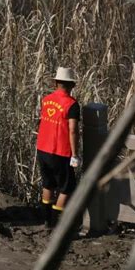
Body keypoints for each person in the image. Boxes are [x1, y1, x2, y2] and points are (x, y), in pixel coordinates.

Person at [36, 67, 81, 227]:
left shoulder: (46, 99)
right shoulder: (72, 105)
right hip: (60, 151)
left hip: (42, 148)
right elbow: (73, 130)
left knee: (48, 184)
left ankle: (47, 221)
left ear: (56, 83)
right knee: (67, 187)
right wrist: (75, 154)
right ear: (72, 85)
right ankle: (55, 224)